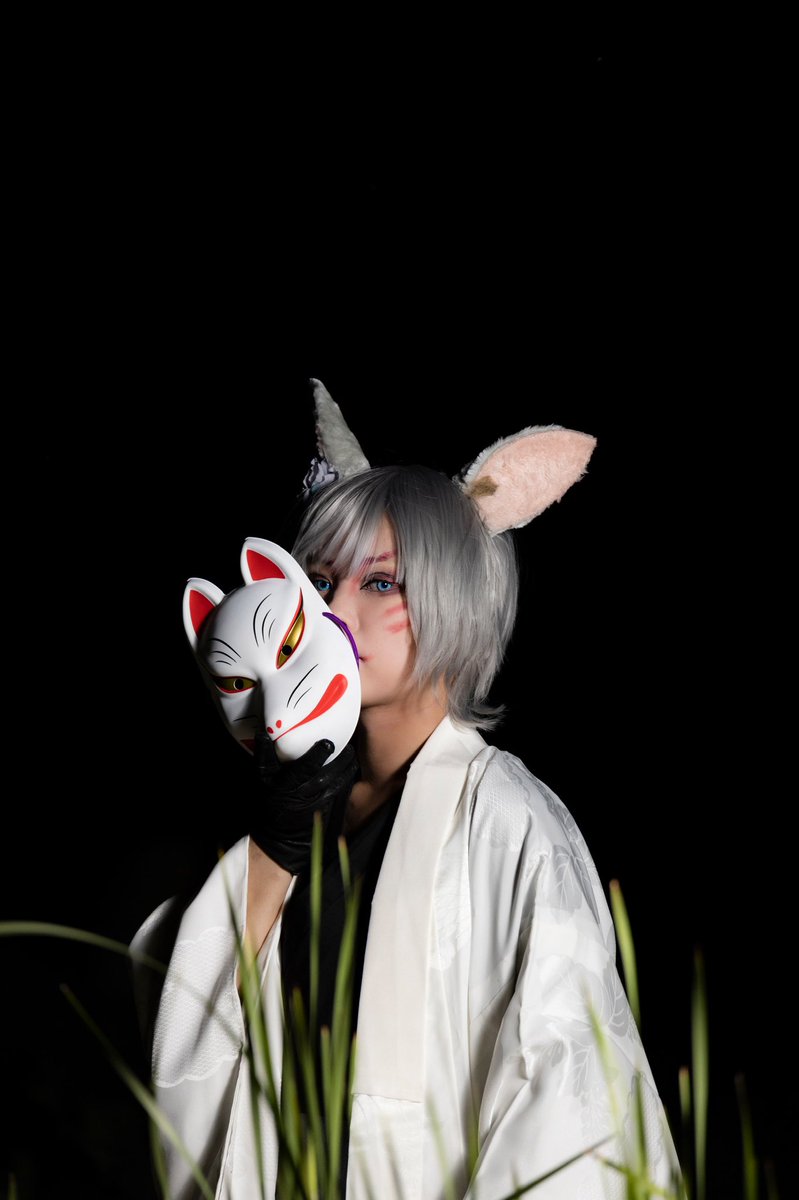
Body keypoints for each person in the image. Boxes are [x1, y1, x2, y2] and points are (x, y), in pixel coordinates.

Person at [130, 380, 682, 1199]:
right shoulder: (294, 816)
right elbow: (190, 1034)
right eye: (320, 582)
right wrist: (275, 849)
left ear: (455, 598)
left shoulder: (508, 820)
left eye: (380, 584)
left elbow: (567, 1098)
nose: (335, 611)